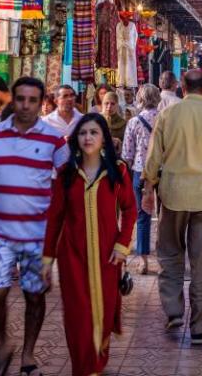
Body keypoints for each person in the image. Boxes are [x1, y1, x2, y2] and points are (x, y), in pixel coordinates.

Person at [0, 77, 70, 376]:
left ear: (41, 103)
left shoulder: (53, 139)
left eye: (32, 100)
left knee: (34, 296)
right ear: (14, 98)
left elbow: (67, 179)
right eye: (21, 99)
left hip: (37, 234)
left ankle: (27, 353)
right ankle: (5, 342)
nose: (25, 105)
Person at [141, 68, 202, 345]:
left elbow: (152, 158)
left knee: (170, 254)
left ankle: (173, 310)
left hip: (172, 195)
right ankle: (199, 327)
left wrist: (149, 187)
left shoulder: (168, 115)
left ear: (182, 86)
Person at [42, 114, 136, 376]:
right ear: (75, 139)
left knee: (104, 314)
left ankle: (96, 362)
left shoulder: (118, 171)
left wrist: (122, 245)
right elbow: (54, 218)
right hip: (72, 256)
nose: (88, 138)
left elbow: (129, 210)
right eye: (83, 133)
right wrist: (47, 259)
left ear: (103, 136)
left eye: (94, 132)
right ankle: (84, 369)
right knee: (78, 316)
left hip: (108, 257)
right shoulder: (67, 175)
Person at [121, 84, 160, 275]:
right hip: (164, 171)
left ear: (140, 99)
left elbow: (127, 153)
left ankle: (144, 261)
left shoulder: (134, 122)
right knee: (166, 216)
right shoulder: (165, 120)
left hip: (140, 172)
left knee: (142, 216)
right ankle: (165, 258)